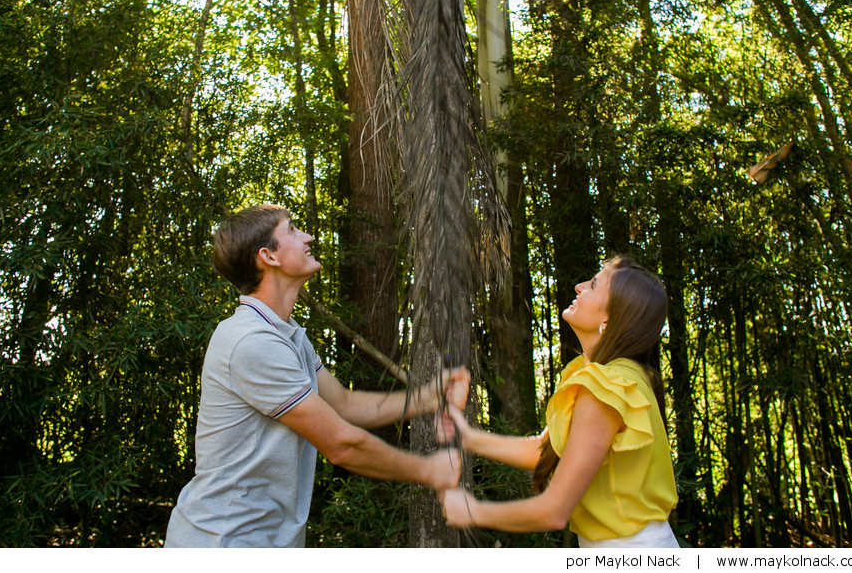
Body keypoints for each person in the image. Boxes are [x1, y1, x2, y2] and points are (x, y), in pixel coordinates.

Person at [165, 204, 466, 547]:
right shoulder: (251, 341)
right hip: (223, 542)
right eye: (293, 230)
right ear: (268, 256)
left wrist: (429, 398)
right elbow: (342, 445)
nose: (308, 237)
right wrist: (427, 471)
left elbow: (345, 404)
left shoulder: (287, 333)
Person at [438, 256, 679, 548]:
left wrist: (471, 511)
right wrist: (467, 437)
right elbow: (546, 450)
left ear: (609, 319)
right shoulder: (623, 375)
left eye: (593, 285)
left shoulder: (608, 387)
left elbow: (553, 511)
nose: (578, 287)